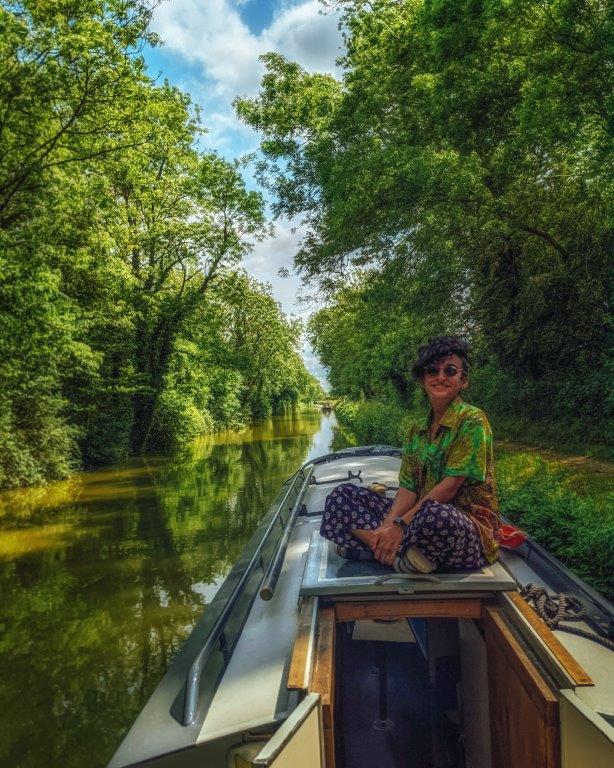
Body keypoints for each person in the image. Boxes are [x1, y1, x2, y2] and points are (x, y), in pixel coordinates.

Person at [319, 336, 500, 572]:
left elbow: (450, 487)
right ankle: (398, 554)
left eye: (450, 370)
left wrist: (401, 526)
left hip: (464, 528)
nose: (441, 377)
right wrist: (388, 527)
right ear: (424, 379)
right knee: (341, 497)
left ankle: (374, 549)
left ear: (463, 380)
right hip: (417, 519)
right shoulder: (416, 430)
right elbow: (408, 488)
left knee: (435, 516)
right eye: (433, 370)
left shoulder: (473, 421)